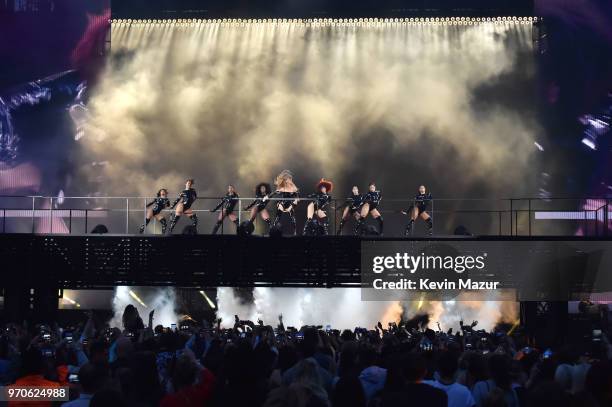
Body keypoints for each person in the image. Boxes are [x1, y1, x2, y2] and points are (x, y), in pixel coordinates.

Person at [266, 170, 299, 236]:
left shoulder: (294, 189)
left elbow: (298, 197)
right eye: (286, 179)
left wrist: (295, 201)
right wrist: (267, 197)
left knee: (292, 217)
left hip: (290, 204)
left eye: (289, 179)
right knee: (278, 216)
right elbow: (274, 193)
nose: (287, 181)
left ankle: (295, 232)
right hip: (282, 203)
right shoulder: (282, 188)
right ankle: (274, 230)